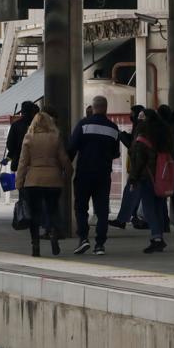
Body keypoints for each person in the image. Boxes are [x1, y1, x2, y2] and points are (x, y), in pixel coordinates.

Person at [67, 95, 120, 255]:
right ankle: (100, 245)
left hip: (84, 172)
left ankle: (83, 238)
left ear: (93, 107)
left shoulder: (84, 124)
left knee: (81, 207)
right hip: (103, 174)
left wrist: (66, 167)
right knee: (102, 210)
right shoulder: (113, 128)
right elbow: (115, 153)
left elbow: (72, 147)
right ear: (106, 108)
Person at [16, 111, 71, 257]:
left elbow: (23, 162)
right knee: (52, 209)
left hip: (33, 180)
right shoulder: (55, 137)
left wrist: (19, 182)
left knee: (35, 214)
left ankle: (35, 245)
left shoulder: (29, 138)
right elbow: (64, 159)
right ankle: (53, 233)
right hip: (53, 180)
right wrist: (68, 174)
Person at [128, 114, 167, 253]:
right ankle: (159, 236)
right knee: (159, 209)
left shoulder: (142, 140)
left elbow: (138, 163)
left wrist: (133, 180)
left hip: (147, 179)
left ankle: (156, 238)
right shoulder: (163, 139)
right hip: (162, 179)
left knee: (149, 209)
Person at [5, 101, 39, 172]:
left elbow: (10, 145)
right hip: (35, 164)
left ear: (22, 112)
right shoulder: (38, 125)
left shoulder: (15, 125)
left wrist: (12, 154)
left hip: (18, 162)